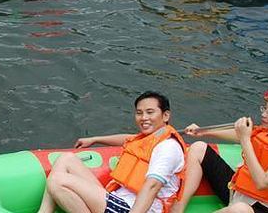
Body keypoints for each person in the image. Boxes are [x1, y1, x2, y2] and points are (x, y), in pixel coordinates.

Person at [171, 87, 268, 213]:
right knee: (198, 148)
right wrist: (202, 132)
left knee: (240, 210)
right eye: (264, 109)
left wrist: (245, 140)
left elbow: (263, 183)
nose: (263, 115)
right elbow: (242, 136)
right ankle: (178, 208)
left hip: (261, 208)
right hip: (240, 192)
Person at [35, 91, 185, 213]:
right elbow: (128, 139)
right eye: (139, 113)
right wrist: (95, 139)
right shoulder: (150, 139)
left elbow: (152, 186)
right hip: (118, 200)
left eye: (150, 112)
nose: (144, 118)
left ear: (165, 115)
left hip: (133, 209)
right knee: (66, 158)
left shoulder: (168, 148)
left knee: (57, 181)